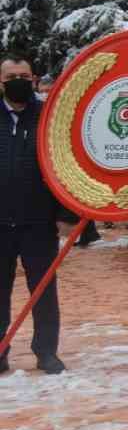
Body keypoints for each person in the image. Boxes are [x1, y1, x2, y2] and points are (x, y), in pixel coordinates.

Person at [0, 55, 66, 375]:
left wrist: (65, 213)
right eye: (11, 77)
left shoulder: (49, 117)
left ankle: (46, 352)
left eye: (24, 77)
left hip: (39, 222)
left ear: (34, 79)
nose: (18, 82)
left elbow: (65, 165)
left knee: (43, 291)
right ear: (1, 82)